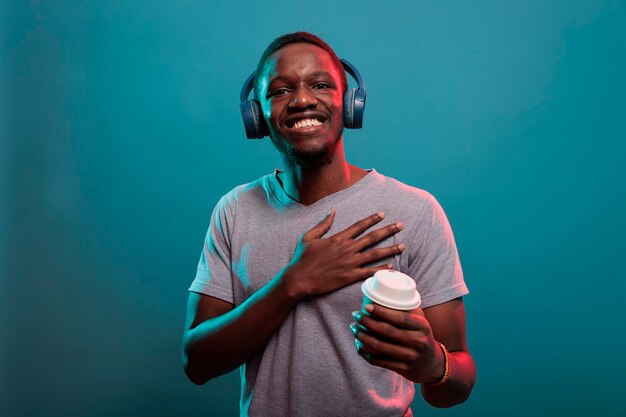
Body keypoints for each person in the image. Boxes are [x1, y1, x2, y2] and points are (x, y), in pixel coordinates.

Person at [182, 31, 476, 417]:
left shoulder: (416, 210)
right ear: (257, 116)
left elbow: (455, 385)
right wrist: (294, 282)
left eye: (320, 85)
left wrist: (433, 365)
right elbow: (197, 363)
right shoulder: (235, 210)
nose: (302, 100)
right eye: (280, 91)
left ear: (350, 103)